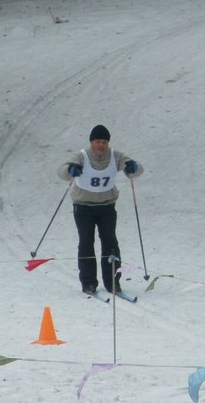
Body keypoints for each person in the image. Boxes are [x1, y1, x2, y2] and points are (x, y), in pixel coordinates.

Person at [57, 124, 143, 295]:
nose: (101, 145)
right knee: (86, 243)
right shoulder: (82, 156)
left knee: (110, 243)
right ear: (91, 142)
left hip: (106, 207)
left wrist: (132, 167)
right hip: (83, 207)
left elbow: (137, 169)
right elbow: (62, 171)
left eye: (104, 142)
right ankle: (88, 283)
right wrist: (71, 170)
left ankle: (112, 282)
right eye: (97, 141)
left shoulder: (115, 156)